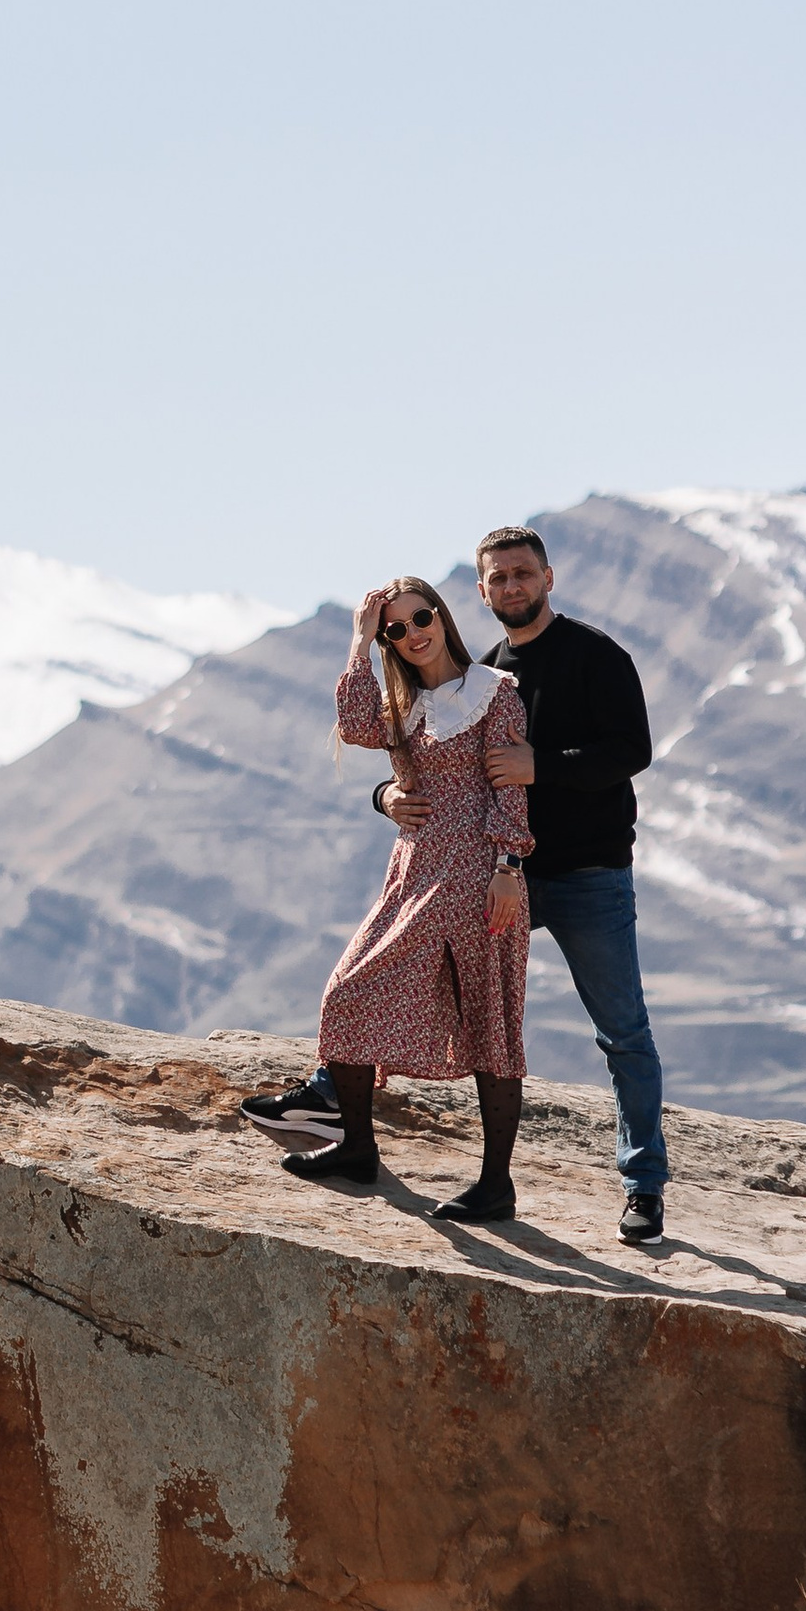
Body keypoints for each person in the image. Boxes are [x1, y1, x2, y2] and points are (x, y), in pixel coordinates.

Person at [254, 527, 672, 1244]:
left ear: (547, 575)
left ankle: (642, 1185)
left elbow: (631, 749)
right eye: (497, 578)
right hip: (478, 873)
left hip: (580, 870)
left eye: (521, 573)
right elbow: (427, 760)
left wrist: (541, 769)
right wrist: (385, 793)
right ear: (479, 594)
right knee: (382, 979)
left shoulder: (591, 657)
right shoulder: (476, 672)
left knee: (618, 1030)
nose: (511, 587)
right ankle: (341, 1100)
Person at [243, 577, 533, 1226]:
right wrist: (358, 645)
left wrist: (511, 863)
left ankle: (495, 1185)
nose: (411, 634)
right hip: (413, 873)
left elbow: (510, 787)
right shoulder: (411, 704)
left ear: (443, 614)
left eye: (419, 617)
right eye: (394, 629)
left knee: (490, 1023)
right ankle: (357, 1147)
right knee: (348, 993)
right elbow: (353, 726)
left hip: (478, 874)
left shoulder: (493, 694)